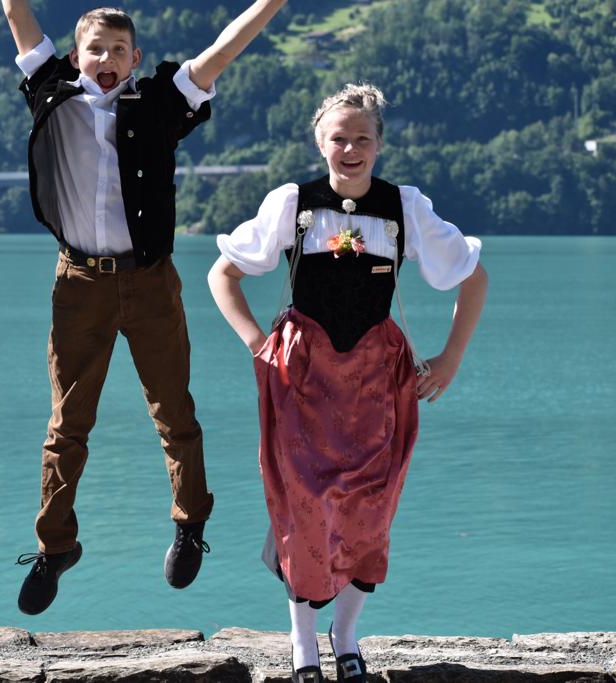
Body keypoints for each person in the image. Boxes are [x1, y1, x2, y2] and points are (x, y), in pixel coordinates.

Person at [0, 0, 288, 615]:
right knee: (66, 424)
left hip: (151, 281)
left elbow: (222, 52)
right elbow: (17, 15)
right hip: (79, 283)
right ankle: (55, 548)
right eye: (95, 50)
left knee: (174, 411)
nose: (105, 59)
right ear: (75, 56)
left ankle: (190, 523)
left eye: (118, 50)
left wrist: (270, 4)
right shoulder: (50, 90)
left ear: (135, 58)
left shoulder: (159, 102)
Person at [208, 83, 488, 683]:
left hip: (376, 381)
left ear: (379, 144)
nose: (351, 149)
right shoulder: (293, 204)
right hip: (303, 378)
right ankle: (302, 644)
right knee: (305, 506)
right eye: (340, 138)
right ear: (320, 143)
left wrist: (451, 358)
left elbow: (474, 278)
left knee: (372, 511)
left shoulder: (405, 208)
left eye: (363, 138)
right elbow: (222, 275)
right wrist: (259, 345)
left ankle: (346, 636)